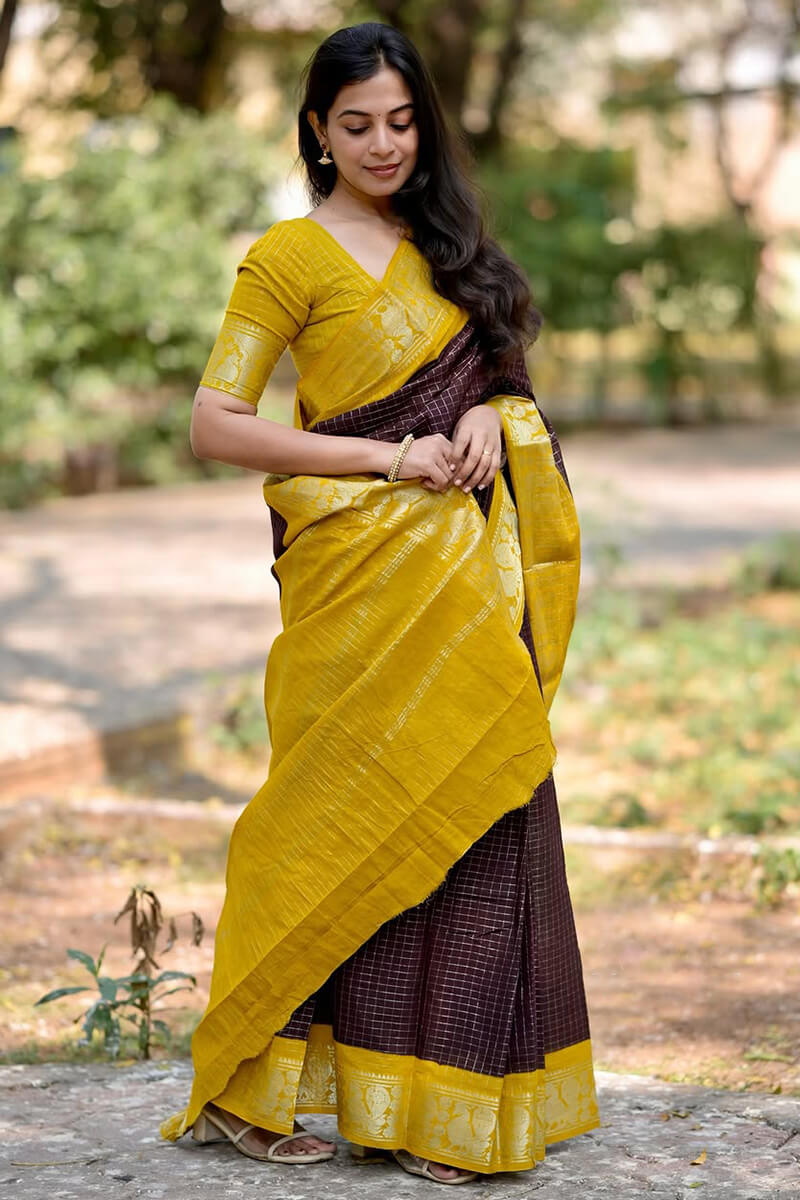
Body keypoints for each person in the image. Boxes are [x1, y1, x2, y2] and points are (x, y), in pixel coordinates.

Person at [160, 20, 600, 1186]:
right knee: (314, 832)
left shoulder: (448, 245)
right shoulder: (287, 261)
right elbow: (215, 424)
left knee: (477, 816)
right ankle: (246, 1089)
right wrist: (391, 458)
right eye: (355, 123)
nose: (382, 142)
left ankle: (453, 1116)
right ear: (316, 130)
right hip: (354, 585)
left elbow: (501, 385)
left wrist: (479, 417)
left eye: (400, 121)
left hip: (461, 592)